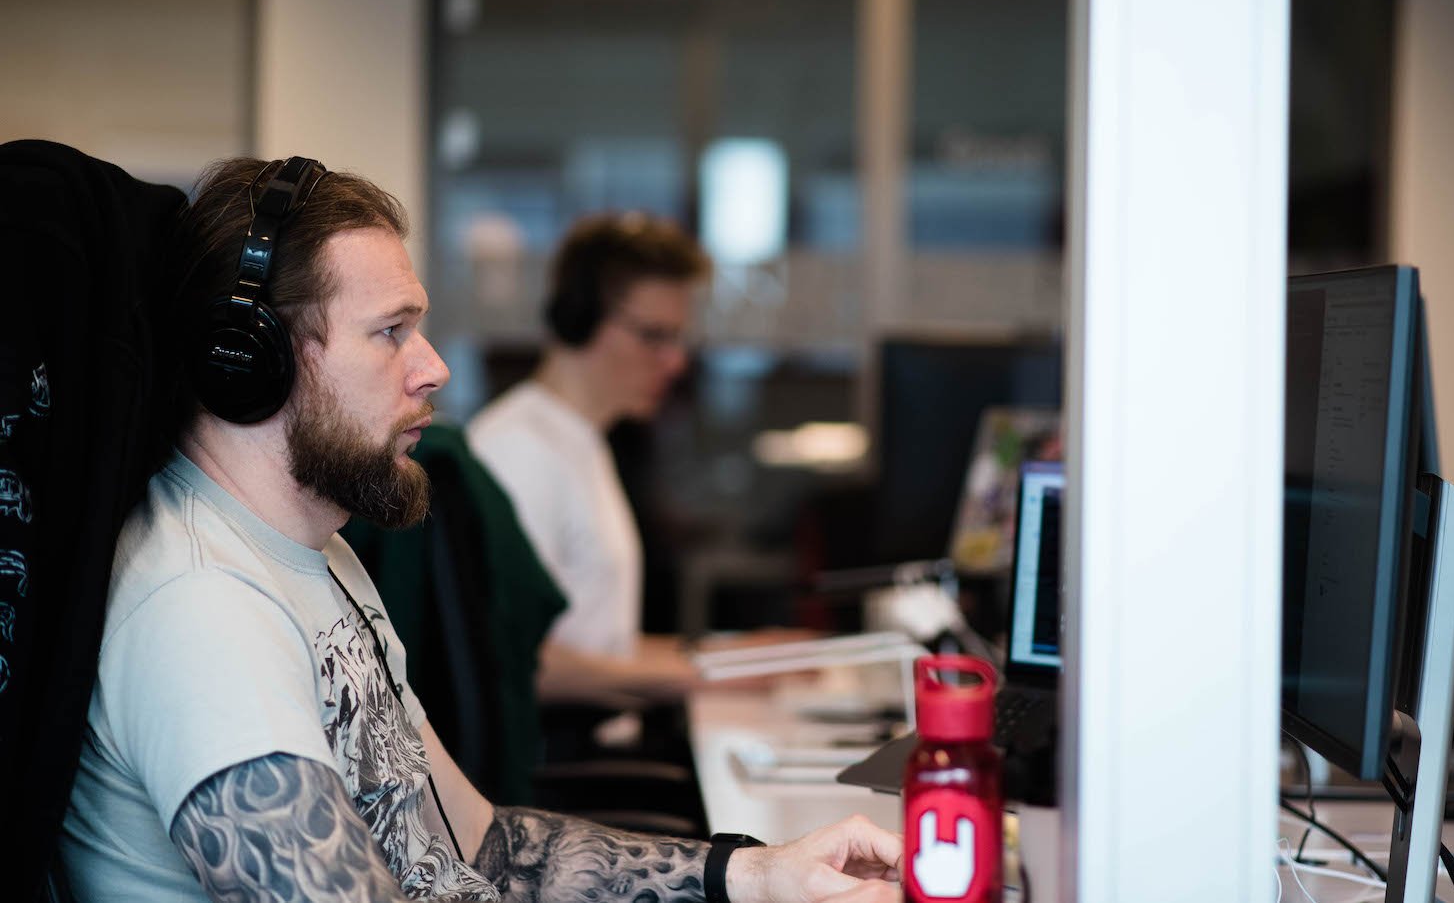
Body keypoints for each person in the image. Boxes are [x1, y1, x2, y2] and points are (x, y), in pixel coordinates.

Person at [57, 157, 902, 903]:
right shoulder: (202, 612)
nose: (434, 368)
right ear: (251, 359)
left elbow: (483, 847)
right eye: (390, 333)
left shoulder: (320, 557)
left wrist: (760, 875)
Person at [465, 214, 708, 706]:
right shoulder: (518, 451)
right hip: (567, 746)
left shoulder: (582, 440)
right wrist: (700, 674)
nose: (676, 361)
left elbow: (601, 646)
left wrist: (740, 656)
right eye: (654, 336)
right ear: (578, 320)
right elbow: (520, 658)